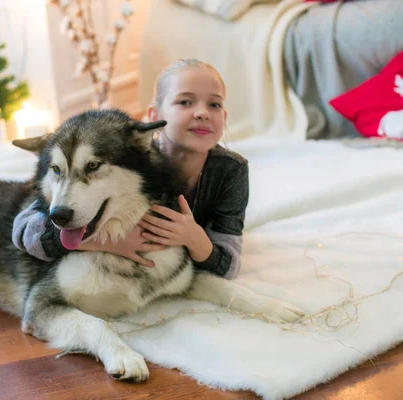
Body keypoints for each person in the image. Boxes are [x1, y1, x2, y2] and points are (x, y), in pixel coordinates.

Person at [13, 59, 249, 279]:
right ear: (154, 116)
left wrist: (194, 238)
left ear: (225, 117)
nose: (202, 113)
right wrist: (103, 242)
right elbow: (23, 229)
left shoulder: (231, 171)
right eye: (185, 102)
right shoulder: (136, 157)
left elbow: (229, 265)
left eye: (214, 104)